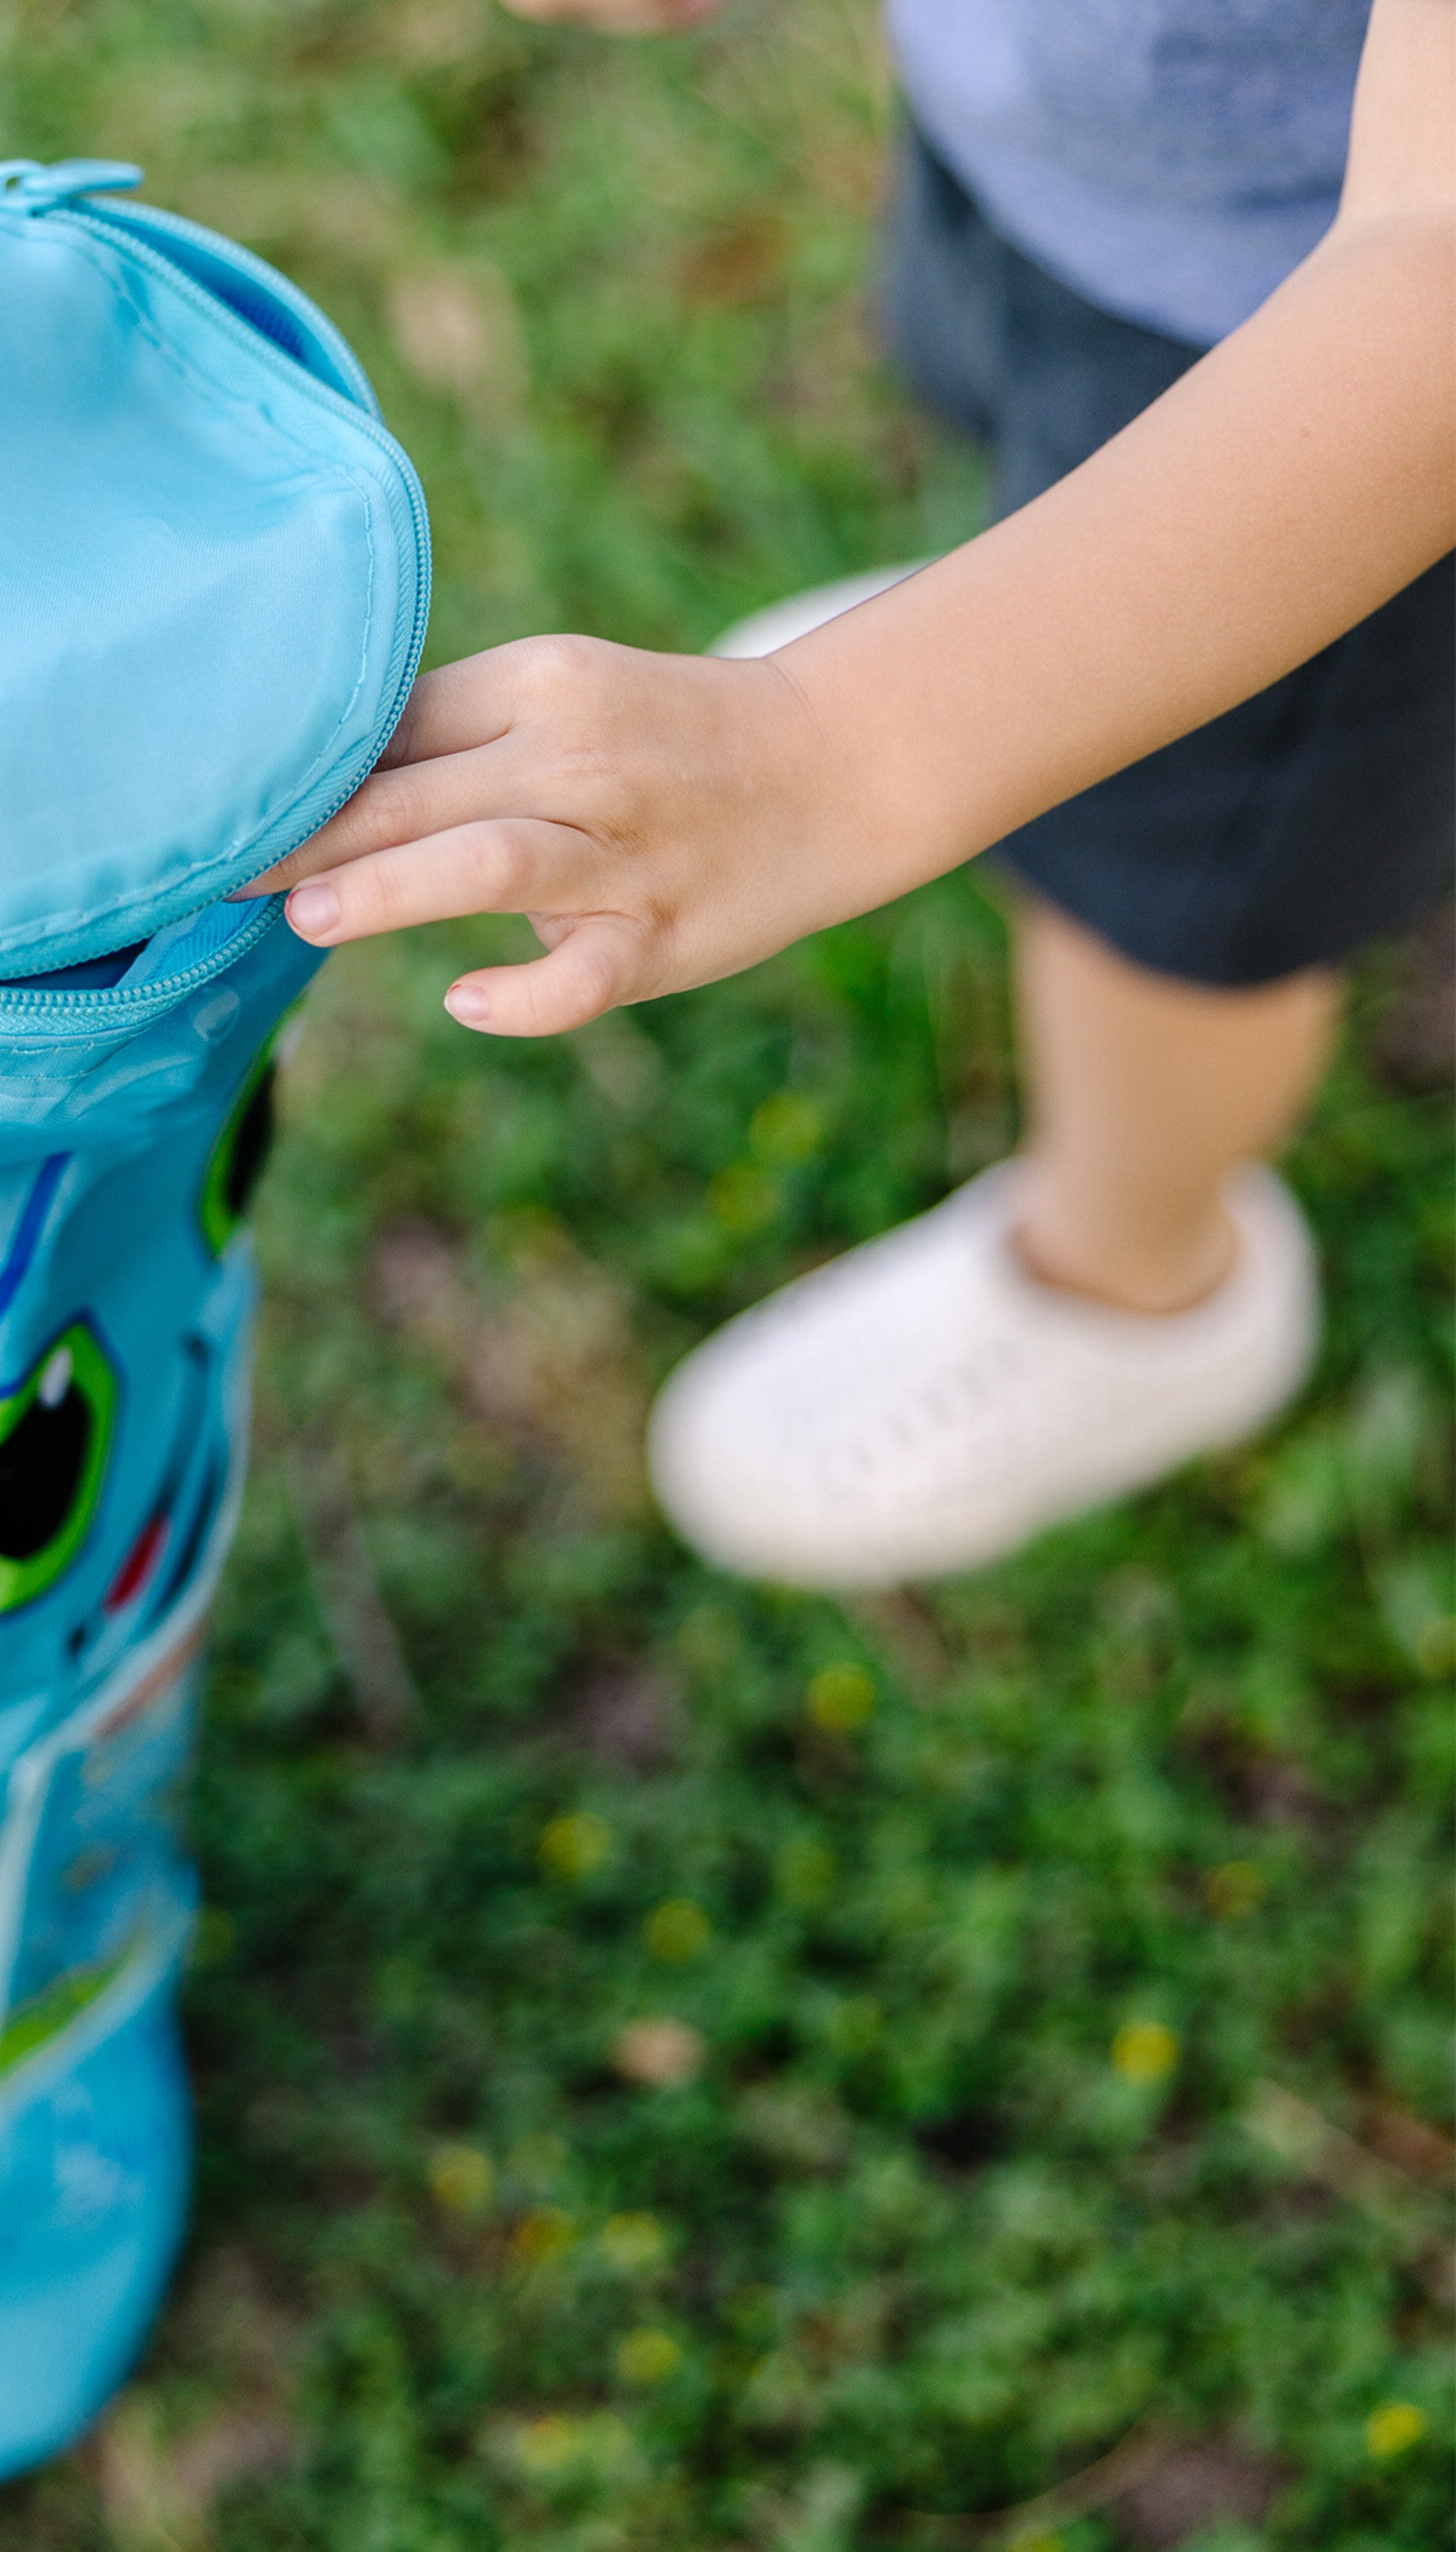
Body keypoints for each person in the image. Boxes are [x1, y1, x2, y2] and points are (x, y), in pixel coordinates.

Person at [257, 0, 1456, 1589]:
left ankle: (1135, 1279)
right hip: (1061, 146)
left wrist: (848, 750)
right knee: (1010, 402)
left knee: (1173, 885)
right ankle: (1032, 626)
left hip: (1325, 398)